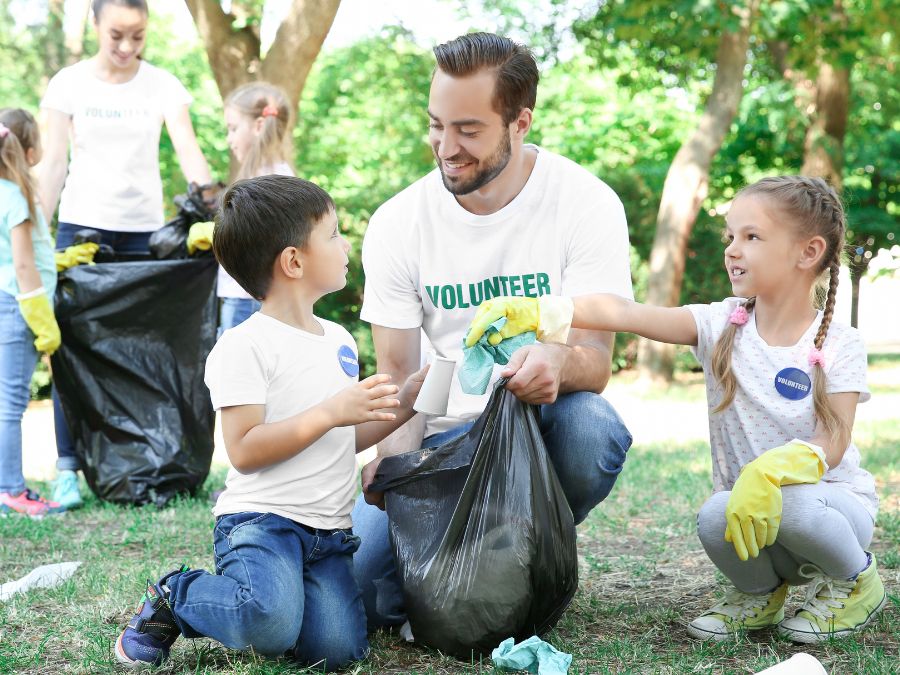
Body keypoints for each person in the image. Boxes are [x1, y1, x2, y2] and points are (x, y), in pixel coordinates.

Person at [466, 176, 885, 644]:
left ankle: (856, 582)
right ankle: (760, 593)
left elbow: (836, 438)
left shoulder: (840, 343)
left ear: (808, 253)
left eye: (751, 236)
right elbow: (627, 313)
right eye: (730, 236)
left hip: (831, 514)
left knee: (796, 507)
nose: (732, 249)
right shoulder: (720, 325)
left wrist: (773, 470)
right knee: (713, 516)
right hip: (755, 519)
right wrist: (545, 311)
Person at [352, 32, 635, 630]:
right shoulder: (399, 223)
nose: (446, 147)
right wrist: (397, 473)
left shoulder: (585, 204)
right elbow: (398, 378)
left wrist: (556, 364)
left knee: (594, 431)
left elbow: (595, 360)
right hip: (438, 441)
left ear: (520, 121)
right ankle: (482, 565)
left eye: (469, 130)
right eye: (436, 125)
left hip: (533, 430)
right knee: (362, 590)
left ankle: (523, 553)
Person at [114, 175, 428, 669]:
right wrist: (329, 412)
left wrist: (404, 404)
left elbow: (340, 440)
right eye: (333, 233)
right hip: (264, 523)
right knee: (268, 623)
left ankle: (284, 605)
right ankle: (176, 594)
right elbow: (245, 449)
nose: (345, 244)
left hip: (328, 534)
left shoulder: (339, 339)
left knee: (337, 653)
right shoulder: (244, 346)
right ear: (293, 261)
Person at [37, 0, 213, 509]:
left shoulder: (162, 84)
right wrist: (39, 243)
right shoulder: (68, 83)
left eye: (138, 36)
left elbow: (189, 151)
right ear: (94, 24)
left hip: (145, 235)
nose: (126, 47)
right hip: (81, 229)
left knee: (147, 350)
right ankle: (68, 469)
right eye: (116, 34)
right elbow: (52, 166)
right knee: (70, 347)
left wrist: (214, 212)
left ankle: (148, 460)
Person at [0, 109, 65, 517]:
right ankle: (10, 489)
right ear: (27, 149)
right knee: (10, 402)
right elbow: (23, 265)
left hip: (8, 301)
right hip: (18, 306)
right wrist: (42, 321)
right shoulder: (15, 195)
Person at [217, 81, 295, 334]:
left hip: (246, 299)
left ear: (259, 126)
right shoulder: (284, 177)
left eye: (233, 128)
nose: (229, 139)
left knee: (235, 370)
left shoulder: (259, 186)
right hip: (263, 298)